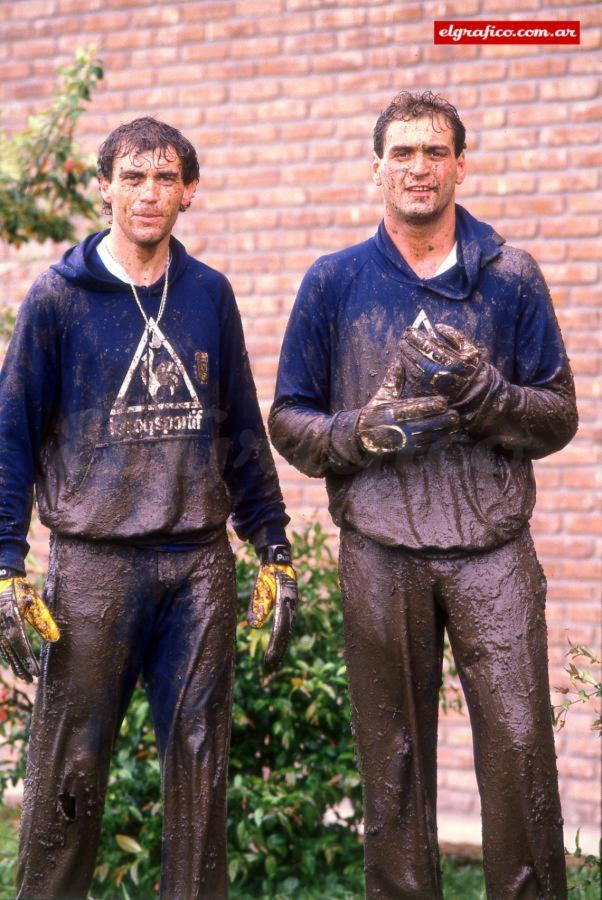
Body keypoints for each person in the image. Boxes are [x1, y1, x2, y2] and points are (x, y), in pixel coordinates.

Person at [269, 90, 577, 899]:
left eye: (434, 152)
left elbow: (558, 415)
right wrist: (363, 434)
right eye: (401, 153)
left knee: (518, 751)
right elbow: (289, 418)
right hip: (380, 548)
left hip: (492, 550)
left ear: (460, 165)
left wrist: (488, 396)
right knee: (393, 759)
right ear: (377, 170)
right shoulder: (334, 282)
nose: (418, 167)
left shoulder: (510, 276)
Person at [0, 117, 297, 900]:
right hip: (94, 565)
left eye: (165, 178)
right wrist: (5, 566)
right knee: (71, 766)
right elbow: (11, 440)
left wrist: (274, 547)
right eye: (132, 177)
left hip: (198, 566)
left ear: (189, 193)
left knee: (200, 767)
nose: (148, 193)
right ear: (104, 188)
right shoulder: (57, 301)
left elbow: (240, 431)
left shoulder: (207, 294)